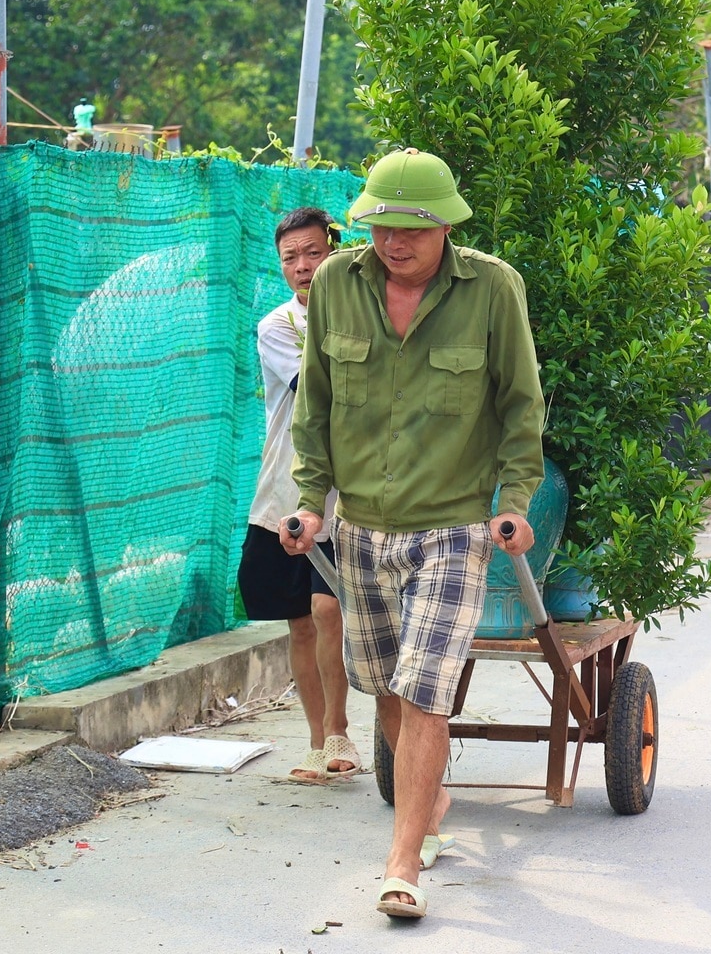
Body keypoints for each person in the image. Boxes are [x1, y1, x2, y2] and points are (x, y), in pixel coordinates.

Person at [285, 149, 545, 923]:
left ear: (445, 227)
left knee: (427, 692)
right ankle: (428, 799)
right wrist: (310, 503)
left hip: (453, 527)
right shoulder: (336, 283)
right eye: (381, 227)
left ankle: (402, 866)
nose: (394, 242)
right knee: (387, 689)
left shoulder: (492, 288)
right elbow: (317, 407)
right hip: (363, 528)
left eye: (412, 229)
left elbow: (521, 408)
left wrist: (517, 501)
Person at [240, 207, 358, 784]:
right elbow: (319, 388)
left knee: (329, 607)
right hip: (290, 488)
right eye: (291, 258)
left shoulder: (367, 316)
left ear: (335, 250)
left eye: (313, 253)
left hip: (352, 496)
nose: (303, 266)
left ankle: (340, 729)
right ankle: (318, 740)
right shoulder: (277, 327)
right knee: (301, 622)